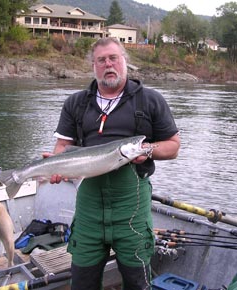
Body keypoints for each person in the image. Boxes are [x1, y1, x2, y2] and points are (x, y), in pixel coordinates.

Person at [48, 37, 180, 290]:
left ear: (125, 62)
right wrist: (57, 167)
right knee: (82, 281)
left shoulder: (150, 100)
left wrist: (148, 151)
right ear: (94, 66)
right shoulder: (75, 103)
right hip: (88, 206)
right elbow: (63, 148)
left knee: (137, 282)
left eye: (113, 58)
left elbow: (173, 146)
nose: (108, 65)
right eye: (101, 60)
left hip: (132, 206)